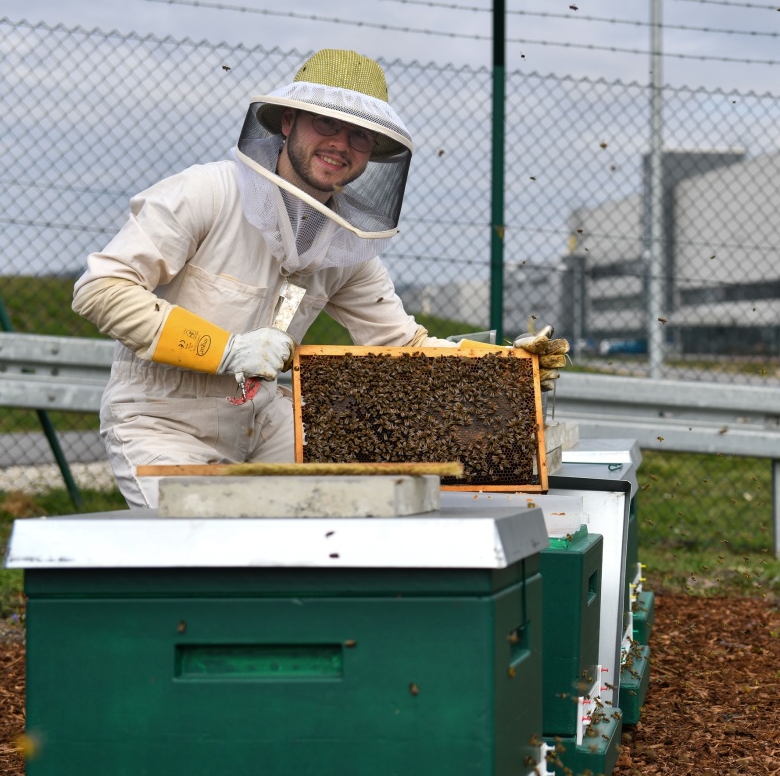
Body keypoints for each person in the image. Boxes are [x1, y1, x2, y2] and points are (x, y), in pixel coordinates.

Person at [72, 49, 566, 508]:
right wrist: (224, 349)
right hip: (161, 418)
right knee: (206, 542)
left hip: (263, 420)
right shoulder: (207, 193)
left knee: (351, 515)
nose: (341, 144)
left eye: (359, 136)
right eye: (326, 123)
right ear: (287, 122)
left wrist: (503, 368)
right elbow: (101, 288)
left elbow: (400, 345)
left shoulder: (347, 245)